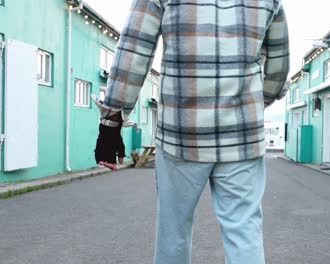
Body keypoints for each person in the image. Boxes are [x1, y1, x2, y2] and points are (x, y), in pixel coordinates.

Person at [93, 0, 290, 263]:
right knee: (244, 234)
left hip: (181, 135)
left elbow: (135, 50)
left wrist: (111, 122)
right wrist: (254, 103)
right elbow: (278, 67)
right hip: (243, 138)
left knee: (173, 233)